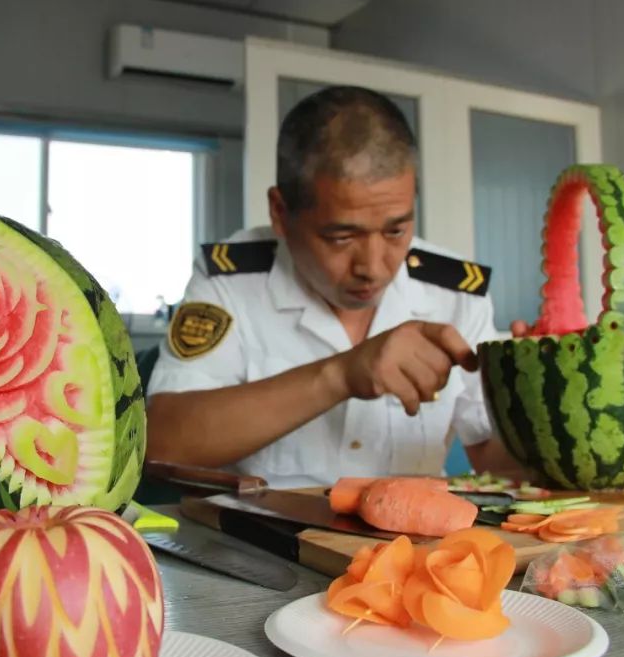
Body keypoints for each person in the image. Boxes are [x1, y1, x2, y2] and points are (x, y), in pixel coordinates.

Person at [145, 85, 524, 488]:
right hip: (260, 546)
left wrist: (541, 397)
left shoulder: (456, 294)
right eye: (342, 238)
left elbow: (498, 461)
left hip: (415, 547)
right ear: (280, 212)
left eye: (396, 230)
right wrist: (340, 375)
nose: (374, 268)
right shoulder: (232, 282)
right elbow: (163, 441)